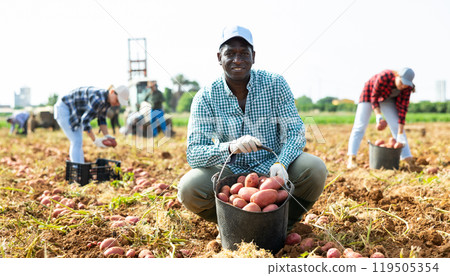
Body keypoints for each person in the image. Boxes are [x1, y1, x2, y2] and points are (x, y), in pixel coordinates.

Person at [177, 25, 328, 229]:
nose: (237, 60)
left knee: (315, 169)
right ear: (219, 57)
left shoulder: (275, 84)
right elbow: (194, 153)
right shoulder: (206, 97)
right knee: (189, 188)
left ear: (253, 56)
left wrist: (282, 163)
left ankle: (282, 225)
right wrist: (230, 147)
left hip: (273, 165)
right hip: (230, 170)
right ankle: (233, 226)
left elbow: (295, 132)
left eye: (243, 53)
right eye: (230, 53)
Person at [347, 68, 415, 169]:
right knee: (360, 126)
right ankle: (351, 158)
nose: (403, 86)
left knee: (396, 126)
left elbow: (403, 109)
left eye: (406, 84)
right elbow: (374, 97)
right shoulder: (385, 76)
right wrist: (379, 117)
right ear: (397, 76)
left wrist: (400, 133)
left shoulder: (407, 88)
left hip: (387, 98)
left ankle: (407, 158)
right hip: (369, 94)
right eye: (402, 82)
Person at [54, 85, 129, 163]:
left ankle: (80, 168)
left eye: (119, 103)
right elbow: (85, 120)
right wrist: (95, 140)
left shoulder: (107, 102)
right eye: (117, 100)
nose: (117, 104)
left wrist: (107, 135)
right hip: (64, 108)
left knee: (78, 141)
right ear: (112, 92)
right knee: (76, 141)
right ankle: (77, 168)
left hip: (74, 111)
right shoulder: (98, 99)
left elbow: (102, 119)